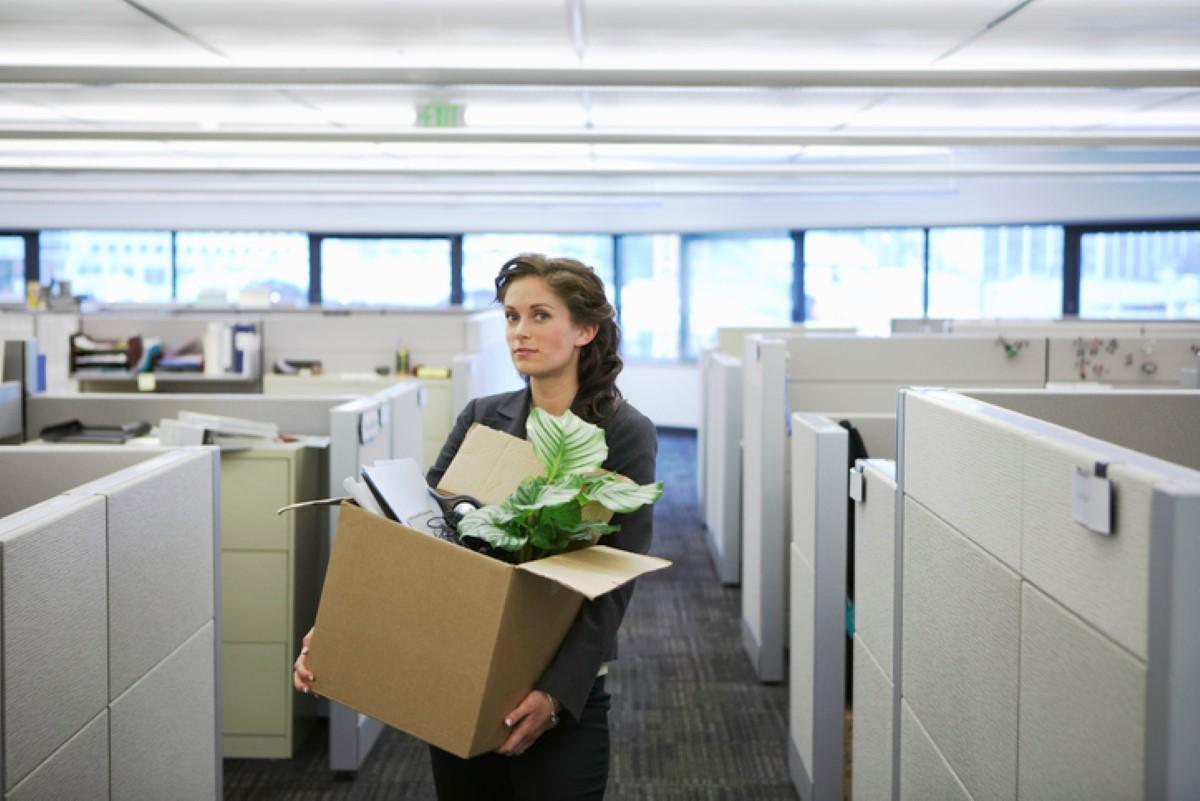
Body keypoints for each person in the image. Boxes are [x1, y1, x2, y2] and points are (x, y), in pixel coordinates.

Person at [293, 253, 658, 800]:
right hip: (462, 672)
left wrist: (555, 695)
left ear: (585, 329)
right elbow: (418, 542)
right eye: (511, 317)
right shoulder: (482, 417)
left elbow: (612, 580)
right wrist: (341, 627)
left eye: (539, 316)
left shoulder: (622, 433)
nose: (520, 333)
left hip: (563, 684)